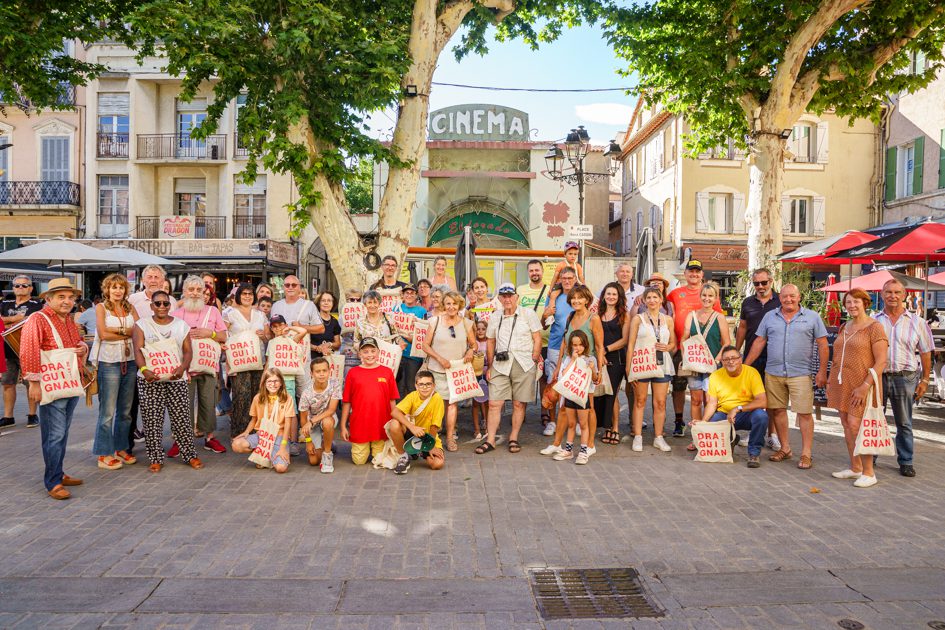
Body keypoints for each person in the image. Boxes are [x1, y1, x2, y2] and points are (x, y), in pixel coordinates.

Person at [745, 284, 828, 470]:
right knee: (778, 411)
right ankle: (785, 448)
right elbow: (759, 341)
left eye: (792, 296)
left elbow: (823, 345)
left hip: (801, 373)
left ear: (799, 297)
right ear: (779, 298)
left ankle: (806, 454)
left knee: (805, 413)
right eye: (784, 297)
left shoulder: (812, 317)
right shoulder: (770, 316)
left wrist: (822, 372)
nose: (788, 300)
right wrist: (746, 366)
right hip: (773, 372)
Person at [19, 278, 87, 499]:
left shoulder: (68, 320)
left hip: (68, 381)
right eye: (61, 297)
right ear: (48, 299)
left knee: (61, 433)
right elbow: (29, 351)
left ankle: (58, 472)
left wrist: (82, 347)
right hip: (51, 384)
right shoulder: (37, 319)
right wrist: (34, 384)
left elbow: (78, 343)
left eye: (70, 297)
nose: (67, 301)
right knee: (54, 434)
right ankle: (53, 482)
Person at [132, 290, 202, 473]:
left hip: (176, 378)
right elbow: (138, 350)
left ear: (170, 306)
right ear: (151, 306)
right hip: (149, 379)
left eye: (165, 303)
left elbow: (188, 351)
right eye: (158, 303)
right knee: (152, 420)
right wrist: (144, 370)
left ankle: (190, 455)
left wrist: (182, 368)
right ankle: (155, 458)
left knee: (182, 419)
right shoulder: (141, 325)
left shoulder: (181, 325)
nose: (162, 306)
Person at [828, 289, 888, 487]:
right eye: (848, 302)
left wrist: (864, 386)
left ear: (865, 303)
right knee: (846, 424)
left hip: (863, 384)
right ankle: (855, 468)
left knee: (857, 426)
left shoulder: (875, 327)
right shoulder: (845, 326)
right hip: (842, 383)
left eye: (856, 302)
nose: (852, 306)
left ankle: (869, 472)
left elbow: (881, 362)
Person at [873, 278, 933, 478]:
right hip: (878, 377)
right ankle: (870, 458)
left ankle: (906, 461)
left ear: (904, 295)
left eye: (897, 292)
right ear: (882, 295)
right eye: (888, 292)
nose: (893, 296)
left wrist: (925, 380)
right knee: (874, 420)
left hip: (905, 378)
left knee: (904, 423)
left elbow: (925, 353)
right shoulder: (874, 320)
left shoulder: (918, 322)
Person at [478, 283, 543, 455]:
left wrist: (535, 357)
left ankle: (513, 437)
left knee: (518, 403)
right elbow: (490, 341)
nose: (507, 299)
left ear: (516, 297)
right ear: (499, 298)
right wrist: (490, 365)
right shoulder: (495, 316)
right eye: (503, 296)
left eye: (510, 295)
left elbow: (537, 337)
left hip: (523, 362)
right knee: (494, 403)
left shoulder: (528, 313)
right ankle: (490, 439)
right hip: (500, 364)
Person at [170, 275, 229, 455]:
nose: (195, 293)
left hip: (208, 366)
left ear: (204, 292)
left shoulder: (213, 312)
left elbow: (223, 336)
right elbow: (171, 342)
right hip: (184, 368)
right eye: (191, 289)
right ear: (185, 292)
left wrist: (209, 333)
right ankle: (180, 439)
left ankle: (209, 438)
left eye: (198, 290)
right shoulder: (176, 314)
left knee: (208, 402)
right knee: (182, 404)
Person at [666, 259, 722, 437]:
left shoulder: (710, 293)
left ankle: (707, 427)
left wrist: (719, 356)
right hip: (683, 350)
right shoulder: (675, 293)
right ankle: (678, 421)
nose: (694, 274)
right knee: (679, 387)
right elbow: (661, 305)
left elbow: (719, 323)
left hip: (709, 353)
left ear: (702, 275)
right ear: (685, 274)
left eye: (697, 271)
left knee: (708, 394)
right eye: (691, 271)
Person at [549, 285, 605, 454]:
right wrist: (559, 367)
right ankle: (557, 443)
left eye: (580, 297)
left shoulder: (593, 318)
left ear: (587, 299)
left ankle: (590, 446)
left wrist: (599, 370)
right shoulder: (570, 316)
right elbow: (564, 344)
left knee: (589, 407)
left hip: (587, 365)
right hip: (569, 363)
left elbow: (600, 346)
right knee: (565, 405)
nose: (576, 300)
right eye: (573, 298)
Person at [91, 273, 138, 470]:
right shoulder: (102, 308)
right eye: (114, 287)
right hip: (109, 362)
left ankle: (121, 448)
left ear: (125, 290)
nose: (117, 291)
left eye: (121, 287)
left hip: (130, 361)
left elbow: (139, 330)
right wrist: (126, 333)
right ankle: (103, 453)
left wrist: (117, 333)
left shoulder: (130, 307)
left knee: (125, 411)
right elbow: (103, 334)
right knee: (108, 411)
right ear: (107, 290)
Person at [420, 290, 476, 452]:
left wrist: (470, 352)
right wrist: (440, 359)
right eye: (448, 303)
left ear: (459, 305)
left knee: (452, 404)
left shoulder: (466, 323)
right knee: (434, 404)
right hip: (436, 369)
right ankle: (431, 437)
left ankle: (450, 437)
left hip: (456, 370)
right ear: (444, 305)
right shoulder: (434, 321)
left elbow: (474, 344)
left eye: (454, 303)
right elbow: (425, 345)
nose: (451, 307)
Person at [128, 265, 177, 449]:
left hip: (164, 360)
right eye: (150, 276)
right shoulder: (132, 299)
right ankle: (129, 444)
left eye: (157, 277)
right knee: (133, 403)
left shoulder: (170, 300)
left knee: (158, 405)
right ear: (143, 280)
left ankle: (157, 443)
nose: (153, 280)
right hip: (139, 357)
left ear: (163, 280)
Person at [699, 346, 770, 468]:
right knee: (713, 420)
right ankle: (731, 439)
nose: (730, 361)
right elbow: (712, 403)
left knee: (761, 416)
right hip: (725, 415)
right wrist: (703, 423)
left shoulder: (752, 372)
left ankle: (754, 453)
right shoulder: (715, 376)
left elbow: (763, 402)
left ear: (740, 359)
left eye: (733, 358)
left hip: (747, 413)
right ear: (722, 362)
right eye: (726, 359)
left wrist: (738, 409)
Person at [735, 267, 782, 450]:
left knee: (771, 398)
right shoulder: (747, 302)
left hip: (773, 356)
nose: (761, 286)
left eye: (764, 282)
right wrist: (737, 351)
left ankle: (772, 434)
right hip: (751, 356)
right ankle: (754, 432)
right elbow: (742, 328)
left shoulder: (780, 301)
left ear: (771, 281)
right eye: (756, 283)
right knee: (751, 396)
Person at [626, 287, 676, 452]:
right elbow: (631, 344)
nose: (652, 300)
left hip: (662, 364)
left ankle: (658, 437)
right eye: (649, 297)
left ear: (661, 300)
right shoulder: (638, 319)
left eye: (655, 297)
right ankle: (638, 436)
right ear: (645, 300)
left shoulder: (668, 319)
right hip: (642, 364)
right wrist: (629, 368)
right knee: (640, 401)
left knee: (660, 402)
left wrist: (667, 347)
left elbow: (673, 343)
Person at [679, 282, 731, 432]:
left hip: (713, 366)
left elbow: (727, 342)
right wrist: (686, 356)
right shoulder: (692, 316)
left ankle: (708, 432)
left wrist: (716, 360)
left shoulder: (719, 318)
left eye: (710, 296)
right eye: (704, 295)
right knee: (695, 400)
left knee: (710, 400)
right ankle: (696, 433)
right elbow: (684, 337)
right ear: (700, 296)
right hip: (695, 364)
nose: (707, 299)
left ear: (715, 298)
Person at [340, 337, 399, 465]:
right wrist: (343, 426)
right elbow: (346, 402)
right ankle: (364, 446)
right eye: (365, 352)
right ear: (359, 354)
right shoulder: (353, 373)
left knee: (379, 459)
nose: (370, 355)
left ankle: (377, 447)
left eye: (373, 351)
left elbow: (392, 400)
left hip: (380, 425)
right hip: (360, 426)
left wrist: (395, 424)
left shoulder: (387, 372)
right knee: (359, 461)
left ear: (379, 352)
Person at [547, 331, 599, 465]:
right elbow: (564, 375)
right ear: (570, 346)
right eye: (575, 345)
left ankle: (583, 451)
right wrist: (574, 361)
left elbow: (595, 380)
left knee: (583, 424)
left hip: (583, 396)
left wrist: (593, 370)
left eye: (581, 345)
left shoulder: (591, 359)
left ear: (585, 345)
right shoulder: (568, 359)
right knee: (571, 424)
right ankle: (568, 450)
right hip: (570, 395)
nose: (578, 348)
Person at [231, 368, 296, 473]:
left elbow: (288, 424)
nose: (273, 384)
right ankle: (265, 454)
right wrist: (246, 432)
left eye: (276, 381)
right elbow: (254, 419)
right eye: (269, 381)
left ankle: (269, 455)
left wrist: (283, 446)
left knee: (281, 468)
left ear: (281, 383)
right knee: (236, 445)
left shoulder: (287, 398)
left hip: (279, 436)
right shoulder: (258, 398)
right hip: (262, 435)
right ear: (264, 383)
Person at [224, 283, 268, 437]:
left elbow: (268, 336)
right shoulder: (229, 313)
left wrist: (264, 336)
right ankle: (238, 433)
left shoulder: (260, 314)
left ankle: (255, 432)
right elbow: (224, 336)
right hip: (239, 361)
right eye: (244, 294)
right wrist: (228, 362)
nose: (247, 296)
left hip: (258, 360)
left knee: (257, 397)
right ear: (238, 296)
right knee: (240, 397)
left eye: (250, 293)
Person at [1, 274, 43, 428]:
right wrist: (14, 319)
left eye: (24, 285)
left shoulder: (36, 304)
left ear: (31, 288)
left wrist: (6, 321)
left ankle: (32, 415)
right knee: (7, 383)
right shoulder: (6, 302)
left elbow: (31, 321)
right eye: (17, 285)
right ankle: (8, 416)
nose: (20, 288)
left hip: (28, 349)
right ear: (12, 288)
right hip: (6, 349)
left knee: (30, 383)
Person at [386, 370, 446, 474]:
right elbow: (394, 412)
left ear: (434, 385)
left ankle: (419, 452)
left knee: (437, 464)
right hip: (412, 433)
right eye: (421, 384)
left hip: (428, 437)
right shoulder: (412, 396)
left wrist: (430, 446)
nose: (425, 387)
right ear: (416, 386)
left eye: (428, 384)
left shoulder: (437, 399)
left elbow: (434, 426)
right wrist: (412, 427)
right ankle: (403, 456)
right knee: (394, 423)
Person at [272, 274, 324, 393]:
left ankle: (303, 412)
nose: (290, 287)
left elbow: (321, 328)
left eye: (294, 285)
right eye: (287, 285)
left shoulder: (308, 305)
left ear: (299, 287)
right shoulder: (276, 306)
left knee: (304, 392)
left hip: (302, 356)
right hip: (282, 356)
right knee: (281, 391)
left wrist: (302, 327)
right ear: (283, 287)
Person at [541, 268, 577, 436]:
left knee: (574, 384)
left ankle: (573, 421)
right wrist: (545, 315)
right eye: (564, 278)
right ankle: (552, 422)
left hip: (577, 348)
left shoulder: (580, 295)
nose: (567, 281)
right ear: (560, 280)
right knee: (553, 383)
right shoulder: (554, 297)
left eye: (570, 278)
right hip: (555, 346)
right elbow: (545, 324)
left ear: (575, 279)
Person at [595, 282, 630, 446]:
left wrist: (605, 350)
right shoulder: (597, 313)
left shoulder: (624, 315)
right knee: (601, 394)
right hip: (599, 359)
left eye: (614, 294)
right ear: (604, 296)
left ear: (619, 297)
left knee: (612, 394)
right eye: (608, 294)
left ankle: (614, 428)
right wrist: (599, 354)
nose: (611, 297)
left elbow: (625, 340)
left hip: (617, 359)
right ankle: (606, 426)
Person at [517, 260, 551, 425]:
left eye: (537, 270)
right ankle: (520, 411)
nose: (534, 273)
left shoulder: (550, 291)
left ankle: (544, 412)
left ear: (542, 271)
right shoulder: (521, 290)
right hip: (525, 343)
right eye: (531, 270)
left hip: (546, 341)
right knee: (524, 378)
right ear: (528, 272)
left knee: (544, 380)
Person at [298, 357, 341, 473]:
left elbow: (331, 410)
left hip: (327, 418)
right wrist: (308, 441)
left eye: (324, 371)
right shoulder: (306, 393)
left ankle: (327, 454)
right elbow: (303, 420)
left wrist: (312, 421)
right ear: (311, 374)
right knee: (314, 461)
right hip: (310, 424)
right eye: (318, 371)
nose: (321, 374)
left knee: (327, 422)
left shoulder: (335, 384)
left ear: (329, 371)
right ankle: (327, 442)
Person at [394, 284, 427, 395]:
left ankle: (412, 412)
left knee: (411, 385)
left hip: (414, 355)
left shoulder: (422, 311)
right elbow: (391, 328)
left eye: (412, 293)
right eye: (406, 293)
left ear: (416, 295)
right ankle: (399, 411)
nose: (409, 295)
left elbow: (425, 332)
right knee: (398, 386)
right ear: (402, 295)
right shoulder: (396, 308)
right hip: (399, 353)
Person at [310, 291, 341, 359]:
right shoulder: (311, 320)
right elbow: (304, 343)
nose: (326, 303)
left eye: (329, 301)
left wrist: (329, 344)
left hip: (329, 360)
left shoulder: (334, 321)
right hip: (312, 359)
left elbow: (338, 344)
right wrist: (317, 348)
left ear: (333, 303)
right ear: (319, 303)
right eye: (323, 300)